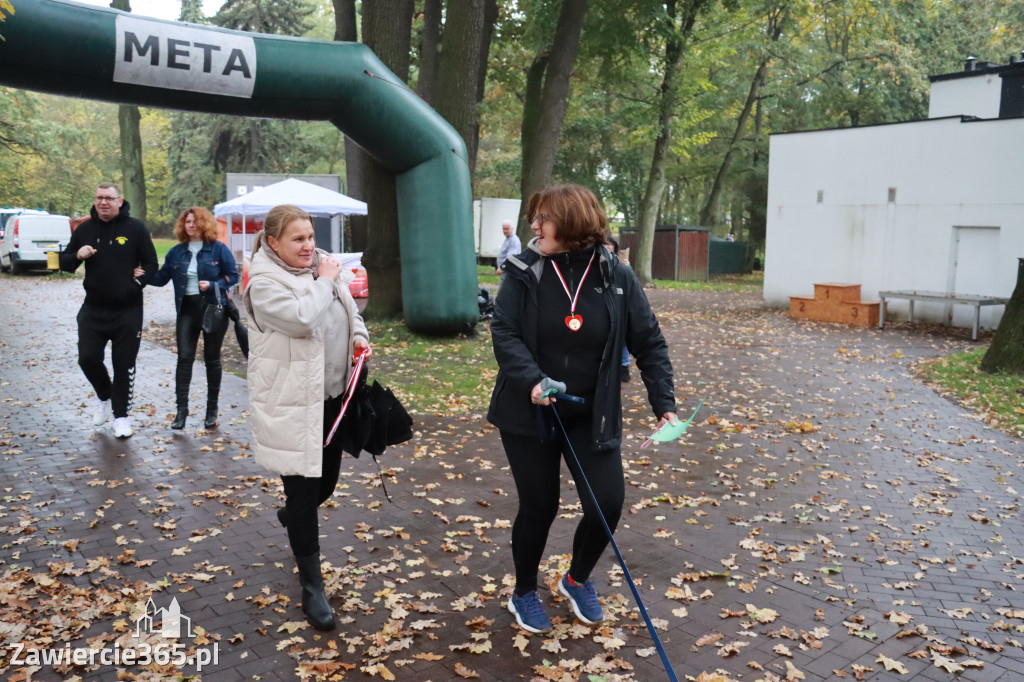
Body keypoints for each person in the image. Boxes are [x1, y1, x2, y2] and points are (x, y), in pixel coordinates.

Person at [488, 184, 678, 634]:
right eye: (534, 218)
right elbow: (504, 330)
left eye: (543, 218)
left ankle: (576, 579)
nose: (534, 226)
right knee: (540, 505)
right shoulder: (523, 270)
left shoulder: (614, 275)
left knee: (607, 503)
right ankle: (524, 592)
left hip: (592, 412)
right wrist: (533, 380)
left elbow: (648, 341)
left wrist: (664, 404)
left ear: (572, 223)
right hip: (530, 409)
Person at [242, 204, 371, 631]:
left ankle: (293, 516)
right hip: (292, 406)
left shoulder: (321, 271)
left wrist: (358, 339)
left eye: (311, 237)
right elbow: (301, 319)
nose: (308, 246)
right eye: (298, 239)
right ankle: (312, 587)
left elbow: (352, 314)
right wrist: (327, 280)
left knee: (326, 484)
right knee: (303, 495)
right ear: (273, 241)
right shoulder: (263, 282)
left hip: (332, 399)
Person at [59, 182, 158, 439]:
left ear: (119, 201)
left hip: (127, 311)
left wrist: (137, 282)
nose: (104, 202)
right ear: (94, 200)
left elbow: (151, 262)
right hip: (94, 309)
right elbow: (62, 262)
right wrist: (77, 255)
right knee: (87, 358)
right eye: (99, 198)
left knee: (123, 365)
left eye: (109, 198)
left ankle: (121, 418)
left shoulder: (135, 228)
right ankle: (105, 395)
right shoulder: (85, 230)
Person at [147, 207, 239, 430]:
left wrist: (214, 285)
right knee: (184, 359)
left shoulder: (218, 250)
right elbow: (161, 278)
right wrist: (143, 275)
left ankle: (211, 410)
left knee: (212, 360)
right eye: (187, 221)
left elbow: (233, 275)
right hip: (187, 310)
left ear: (204, 224)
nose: (191, 225)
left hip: (212, 309)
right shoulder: (176, 252)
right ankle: (181, 411)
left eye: (195, 221)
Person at [495, 220, 521, 285]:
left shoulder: (513, 240)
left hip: (509, 271)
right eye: (503, 229)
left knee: (503, 292)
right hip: (506, 271)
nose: (505, 231)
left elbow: (511, 258)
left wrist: (502, 267)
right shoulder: (508, 238)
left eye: (507, 229)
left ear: (512, 228)